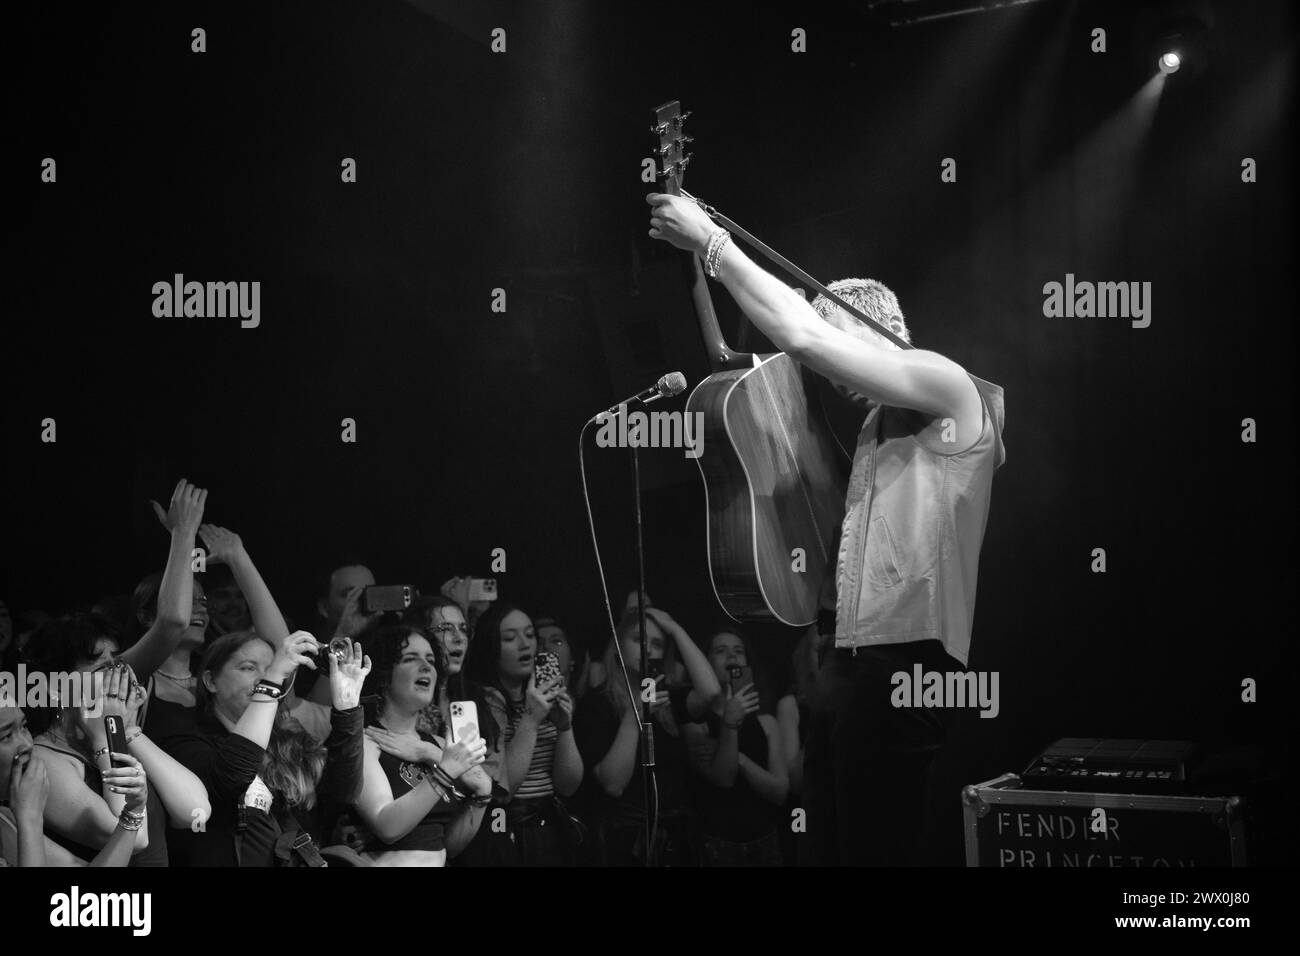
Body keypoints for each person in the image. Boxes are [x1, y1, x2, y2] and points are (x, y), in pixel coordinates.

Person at [648, 195, 1006, 865]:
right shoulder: (879, 429)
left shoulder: (948, 383)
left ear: (880, 327)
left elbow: (807, 339)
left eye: (841, 352)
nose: (829, 378)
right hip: (854, 666)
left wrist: (713, 245)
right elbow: (764, 350)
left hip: (908, 663)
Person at [163, 630, 367, 866]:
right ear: (210, 681)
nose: (263, 676)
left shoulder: (292, 741)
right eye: (248, 667)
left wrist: (347, 709)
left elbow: (341, 796)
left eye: (270, 668)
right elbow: (230, 778)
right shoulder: (186, 738)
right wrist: (272, 679)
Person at [25, 642, 209, 867]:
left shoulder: (117, 735)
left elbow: (194, 811)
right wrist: (106, 738)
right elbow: (136, 839)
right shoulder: (44, 760)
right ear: (58, 689)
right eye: (105, 669)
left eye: (119, 664)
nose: (121, 675)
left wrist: (129, 731)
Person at [574, 605, 721, 866]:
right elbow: (613, 784)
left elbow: (710, 693)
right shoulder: (597, 704)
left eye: (657, 643)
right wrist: (634, 718)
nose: (648, 648)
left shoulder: (667, 697)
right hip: (625, 842)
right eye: (638, 639)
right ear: (618, 645)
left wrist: (676, 629)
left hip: (676, 838)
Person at [352, 622, 491, 866]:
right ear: (384, 675)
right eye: (410, 659)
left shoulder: (437, 744)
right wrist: (445, 772)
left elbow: (448, 847)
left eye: (430, 659)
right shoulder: (367, 742)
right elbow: (387, 826)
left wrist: (480, 797)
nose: (426, 666)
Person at [464, 603, 583, 865]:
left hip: (549, 826)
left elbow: (568, 785)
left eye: (529, 635)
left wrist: (565, 727)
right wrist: (530, 719)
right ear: (491, 647)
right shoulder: (483, 703)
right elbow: (503, 792)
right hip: (505, 829)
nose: (524, 644)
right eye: (510, 637)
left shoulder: (544, 697)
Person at [683, 629, 789, 866]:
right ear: (705, 663)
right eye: (720, 651)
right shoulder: (695, 722)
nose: (731, 657)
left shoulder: (766, 721)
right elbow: (723, 778)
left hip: (765, 844)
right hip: (715, 846)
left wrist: (739, 758)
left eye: (738, 651)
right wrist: (729, 723)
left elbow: (780, 792)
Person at [1, 701, 149, 867]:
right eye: (6, 736)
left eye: (23, 726)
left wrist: (133, 810)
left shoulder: (5, 819)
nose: (28, 744)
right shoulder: (23, 816)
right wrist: (30, 820)